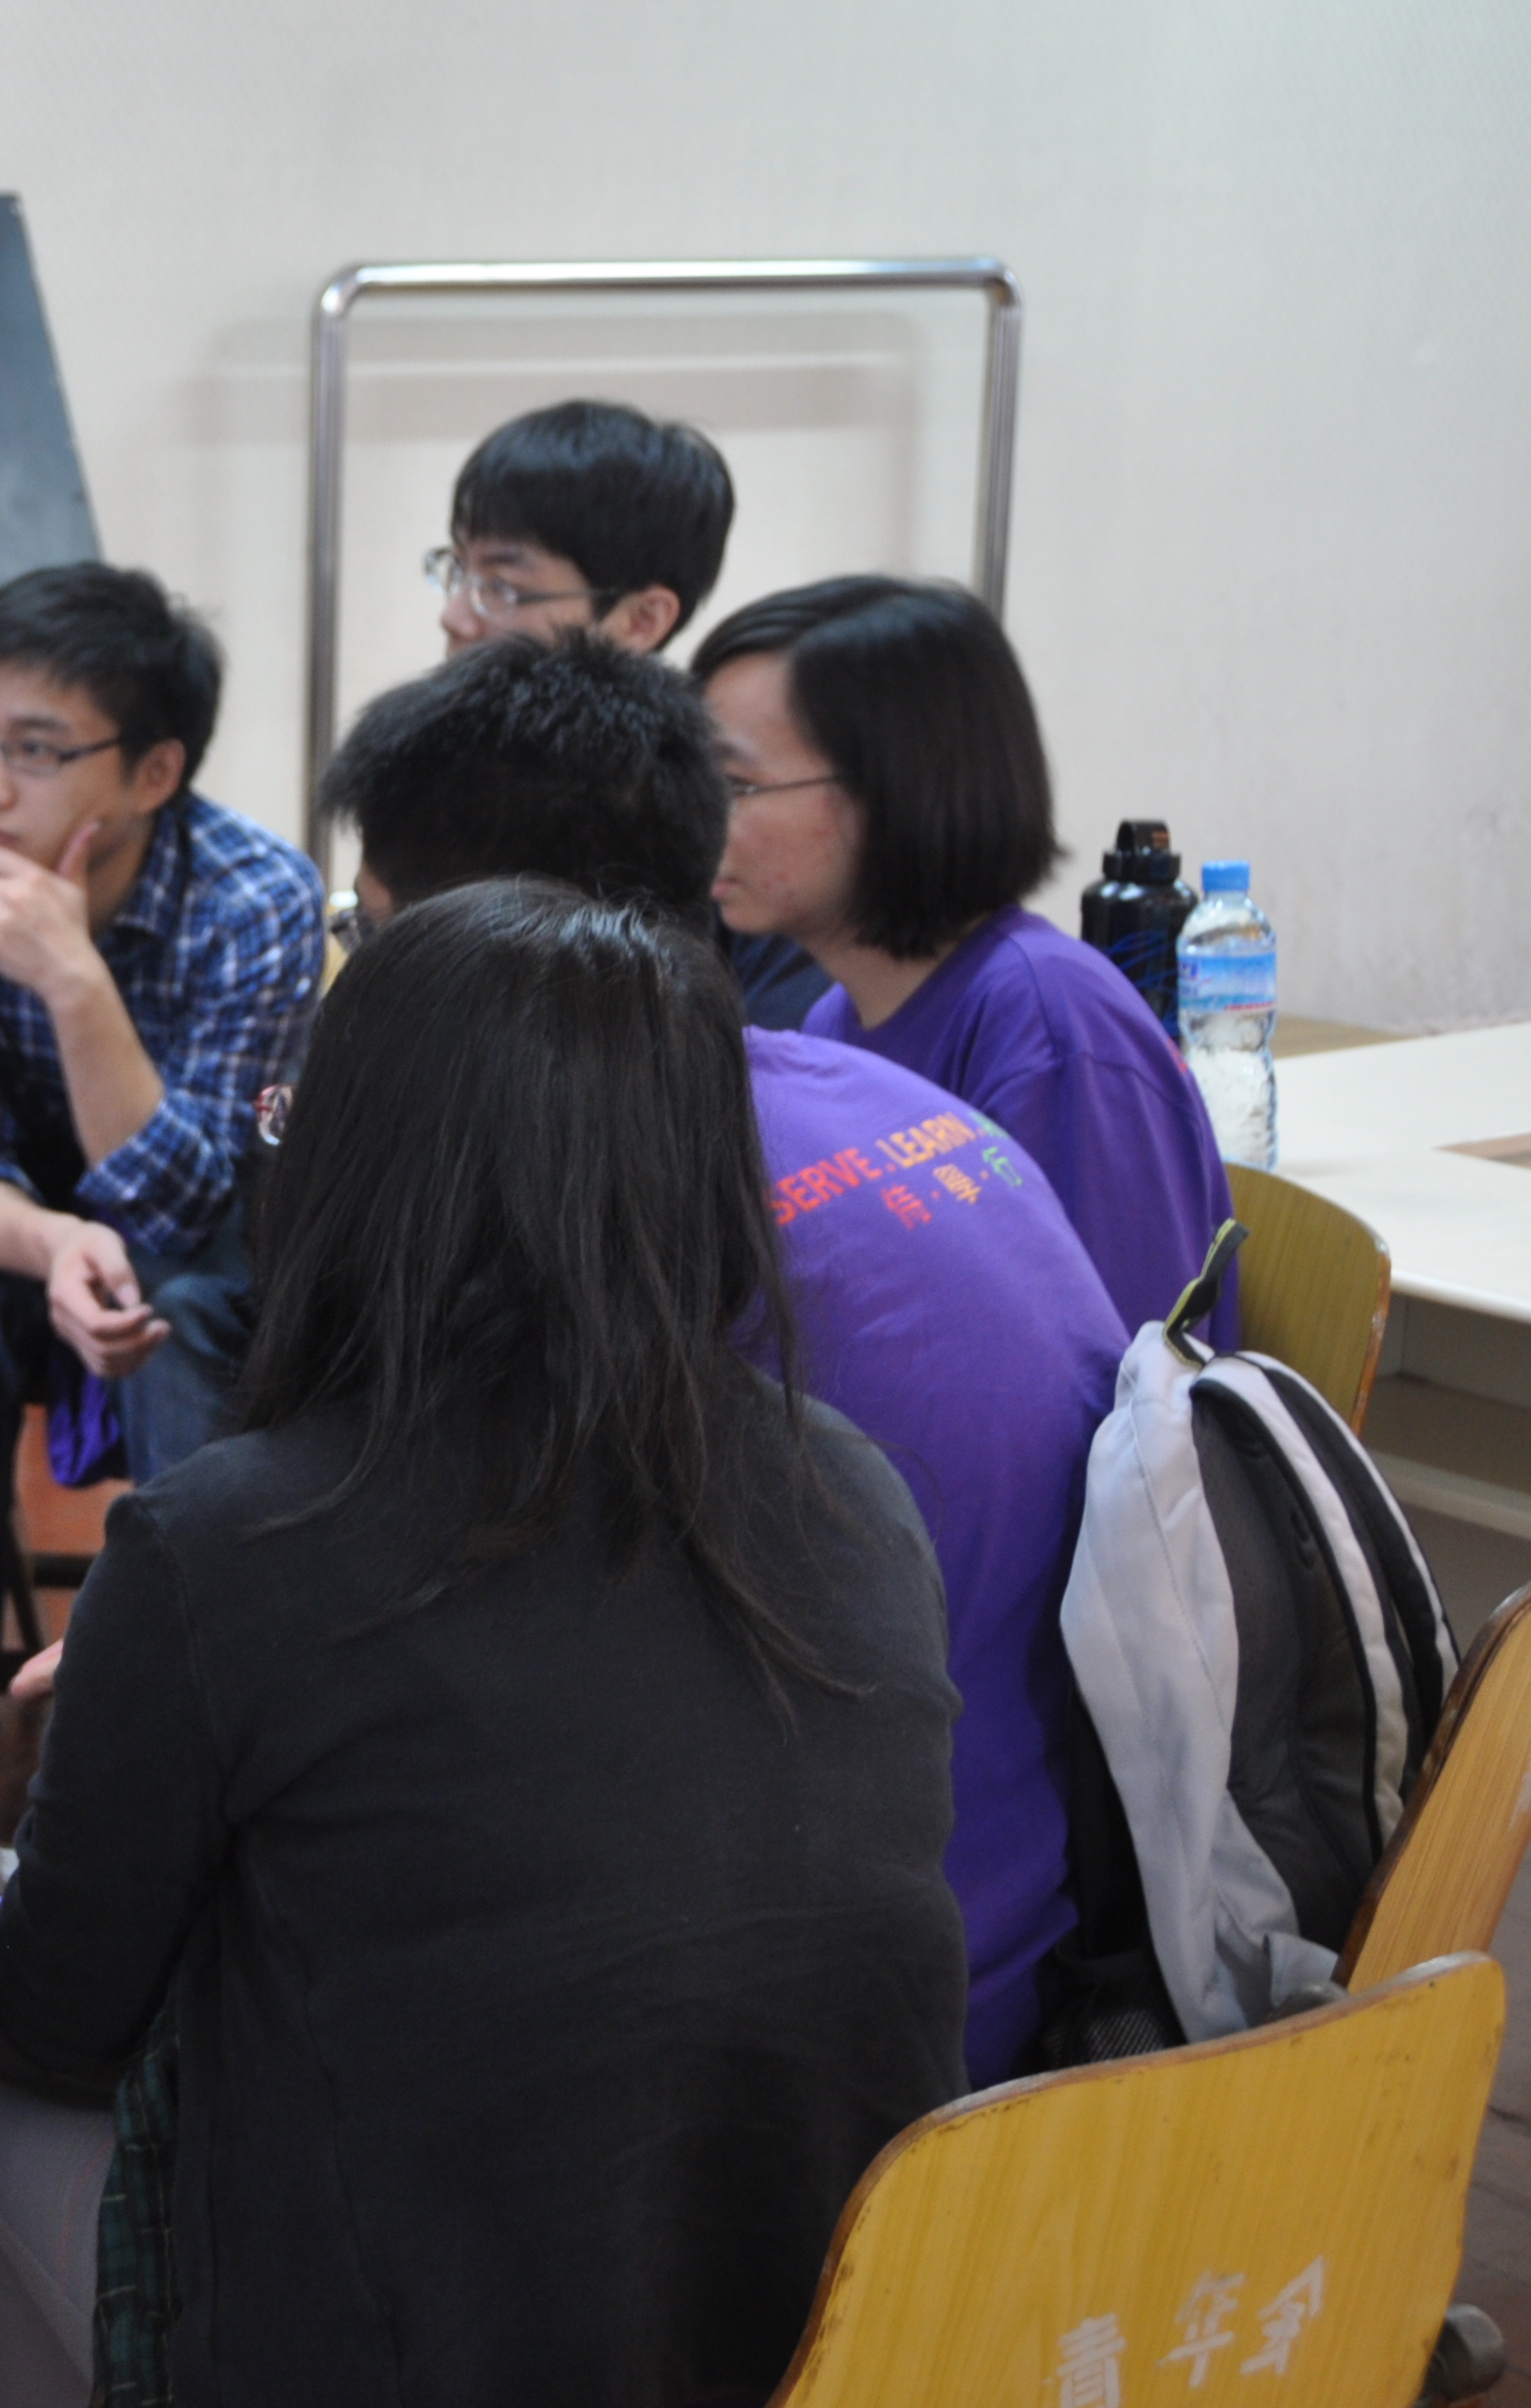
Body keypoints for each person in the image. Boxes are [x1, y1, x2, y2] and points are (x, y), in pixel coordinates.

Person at [0, 880, 965, 2408]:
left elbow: (66, 2014)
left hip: (425, 2374)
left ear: (357, 1164)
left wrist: (18, 1826)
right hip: (831, 2346)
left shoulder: (226, 1539)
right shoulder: (848, 1482)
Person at [315, 631, 1119, 2083]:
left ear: (466, 953)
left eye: (369, 939)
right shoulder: (873, 1090)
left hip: (792, 2067)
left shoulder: (587, 1212)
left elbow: (441, 1709)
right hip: (1028, 1943)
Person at [0, 563, 320, 1899]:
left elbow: (183, 1204)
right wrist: (50, 1247)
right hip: (9, 1240)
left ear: (151, 773)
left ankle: (188, 1743)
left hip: (199, 1245)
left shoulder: (255, 898)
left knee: (193, 1308)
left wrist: (75, 981)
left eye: (34, 752)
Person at [696, 576, 1234, 1342]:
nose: (703, 816)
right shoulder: (835, 1019)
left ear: (893, 791)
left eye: (737, 784)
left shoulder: (1050, 1026)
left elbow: (1120, 1388)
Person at [423, 395, 826, 1027]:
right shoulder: (438, 766)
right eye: (458, 569)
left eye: (501, 586)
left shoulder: (707, 819)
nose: (455, 616)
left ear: (642, 619)